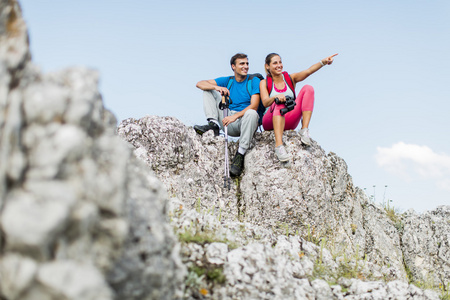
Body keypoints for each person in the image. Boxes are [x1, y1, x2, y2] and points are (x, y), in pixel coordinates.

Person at [260, 53, 338, 162]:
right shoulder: (264, 82)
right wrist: (276, 97)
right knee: (280, 102)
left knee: (308, 88)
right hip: (270, 121)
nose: (279, 65)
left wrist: (323, 62)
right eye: (275, 63)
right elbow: (265, 102)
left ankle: (304, 130)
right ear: (267, 66)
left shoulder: (290, 78)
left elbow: (308, 71)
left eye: (280, 62)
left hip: (289, 119)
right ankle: (279, 146)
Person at [194, 53, 261, 177]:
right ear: (233, 66)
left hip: (244, 121)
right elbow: (200, 83)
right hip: (227, 121)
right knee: (208, 90)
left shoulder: (254, 81)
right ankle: (213, 125)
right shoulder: (228, 80)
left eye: (247, 63)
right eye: (242, 63)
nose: (245, 66)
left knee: (252, 113)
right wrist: (217, 87)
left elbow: (255, 105)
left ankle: (239, 155)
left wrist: (235, 117)